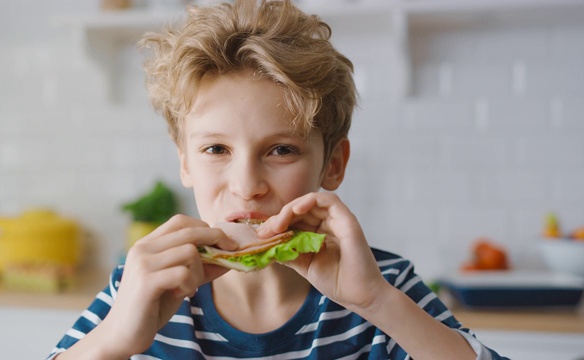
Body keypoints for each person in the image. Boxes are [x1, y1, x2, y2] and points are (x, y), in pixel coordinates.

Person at [48, 1, 507, 359]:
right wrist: (111, 342)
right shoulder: (139, 288)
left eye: (281, 150)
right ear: (184, 161)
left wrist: (378, 304)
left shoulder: (384, 285)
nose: (247, 185)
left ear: (334, 164)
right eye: (215, 150)